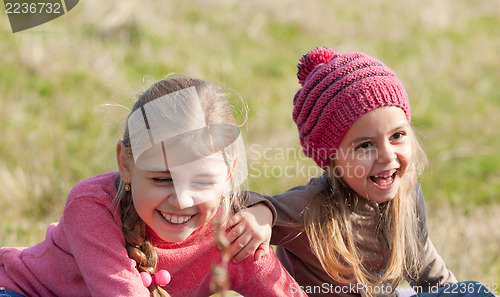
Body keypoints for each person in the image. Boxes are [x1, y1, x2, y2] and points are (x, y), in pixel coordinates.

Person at [0, 77, 306, 297]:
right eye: (162, 179)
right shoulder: (92, 206)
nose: (182, 199)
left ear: (228, 173)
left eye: (202, 181)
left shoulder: (234, 235)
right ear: (126, 164)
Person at [241, 47, 495, 297]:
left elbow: (429, 274)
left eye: (397, 135)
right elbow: (229, 208)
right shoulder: (310, 209)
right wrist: (262, 211)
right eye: (365, 145)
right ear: (331, 158)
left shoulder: (405, 195)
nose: (387, 156)